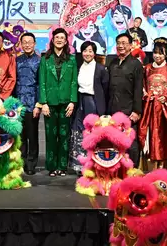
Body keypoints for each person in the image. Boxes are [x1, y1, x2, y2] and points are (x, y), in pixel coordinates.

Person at [38, 27, 78, 177]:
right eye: (57, 37)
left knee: (64, 135)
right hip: (50, 103)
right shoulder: (45, 59)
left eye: (62, 37)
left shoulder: (72, 59)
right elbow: (42, 82)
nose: (59, 40)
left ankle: (62, 166)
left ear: (66, 40)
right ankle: (51, 166)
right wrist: (44, 103)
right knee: (50, 135)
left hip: (66, 103)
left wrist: (73, 101)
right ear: (52, 40)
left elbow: (74, 82)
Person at [139, 40, 167, 172]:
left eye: (161, 53)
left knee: (165, 136)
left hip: (165, 109)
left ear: (166, 54)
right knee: (150, 135)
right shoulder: (146, 69)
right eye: (155, 53)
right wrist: (146, 95)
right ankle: (151, 166)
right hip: (150, 108)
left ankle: (165, 166)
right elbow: (141, 86)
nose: (157, 56)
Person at [69, 40, 109, 174]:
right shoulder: (78, 66)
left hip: (93, 102)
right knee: (78, 131)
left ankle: (93, 165)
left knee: (92, 133)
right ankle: (80, 165)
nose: (87, 54)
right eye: (85, 51)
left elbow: (105, 90)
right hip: (80, 102)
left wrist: (103, 110)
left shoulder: (101, 69)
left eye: (90, 51)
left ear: (94, 53)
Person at [107, 32, 143, 165]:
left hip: (129, 110)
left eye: (124, 43)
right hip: (113, 109)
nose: (121, 46)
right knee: (114, 141)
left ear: (130, 46)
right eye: (118, 43)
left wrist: (137, 111)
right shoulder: (113, 63)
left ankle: (132, 169)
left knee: (130, 142)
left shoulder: (136, 64)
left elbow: (138, 89)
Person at [14, 32, 42, 175]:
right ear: (20, 44)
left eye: (29, 42)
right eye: (24, 42)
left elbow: (40, 84)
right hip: (18, 104)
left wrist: (38, 104)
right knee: (20, 135)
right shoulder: (17, 61)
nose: (27, 45)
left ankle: (31, 163)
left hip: (32, 104)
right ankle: (21, 161)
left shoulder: (39, 61)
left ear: (34, 44)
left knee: (32, 135)